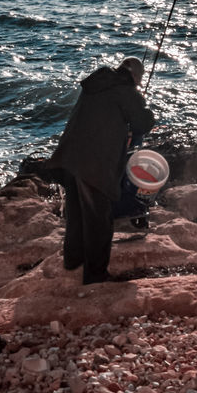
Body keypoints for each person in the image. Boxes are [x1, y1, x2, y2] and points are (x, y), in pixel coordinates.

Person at [49, 56, 154, 284]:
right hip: (93, 164)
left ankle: (73, 260)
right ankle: (96, 276)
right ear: (136, 77)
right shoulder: (126, 91)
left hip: (70, 157)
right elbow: (142, 124)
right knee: (99, 219)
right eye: (140, 80)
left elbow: (103, 116)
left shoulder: (97, 84)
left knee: (77, 212)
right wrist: (143, 106)